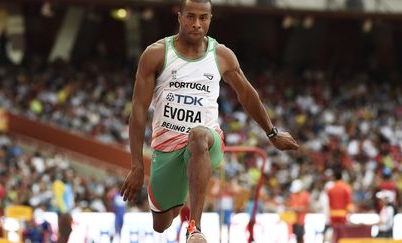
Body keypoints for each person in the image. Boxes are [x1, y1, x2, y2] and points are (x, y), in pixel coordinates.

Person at [120, 0, 299, 242]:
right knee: (161, 224)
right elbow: (139, 111)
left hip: (207, 140)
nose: (196, 24)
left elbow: (247, 94)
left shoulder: (221, 55)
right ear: (180, 16)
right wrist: (137, 166)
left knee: (198, 135)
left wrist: (272, 133)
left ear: (210, 19)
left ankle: (194, 227)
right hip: (166, 148)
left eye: (203, 18)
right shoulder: (156, 54)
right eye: (191, 17)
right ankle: (180, 190)